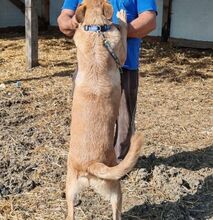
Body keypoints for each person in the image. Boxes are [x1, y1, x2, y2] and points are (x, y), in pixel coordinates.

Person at [58, 0, 157, 162]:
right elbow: (63, 21)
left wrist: (113, 31)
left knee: (124, 119)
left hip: (125, 64)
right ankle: (87, 160)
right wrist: (76, 21)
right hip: (88, 66)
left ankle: (117, 163)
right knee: (85, 115)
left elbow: (149, 20)